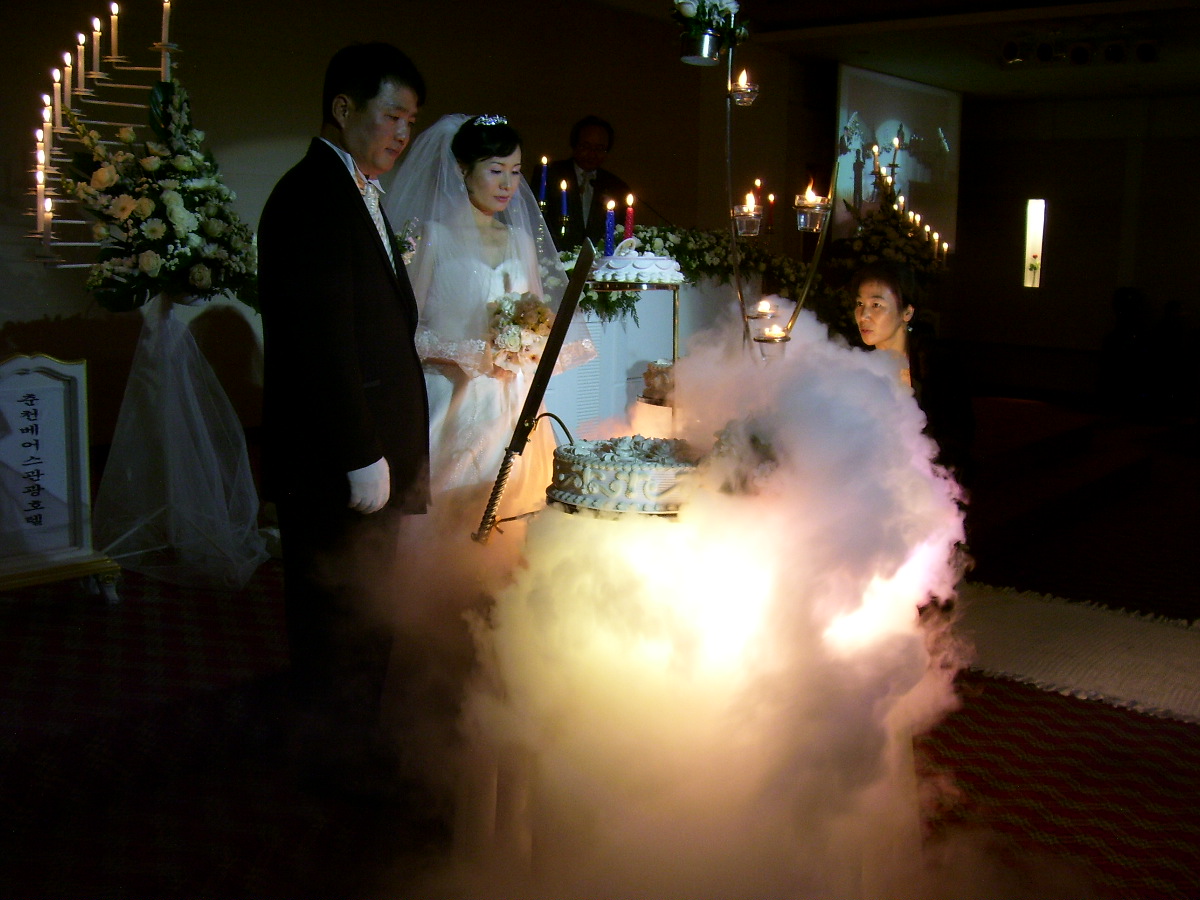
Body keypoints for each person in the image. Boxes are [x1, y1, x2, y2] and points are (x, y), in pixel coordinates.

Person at [257, 42, 430, 786]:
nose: (402, 134)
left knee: (363, 609)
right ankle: (331, 762)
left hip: (366, 451)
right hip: (337, 457)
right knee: (334, 612)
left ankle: (352, 743)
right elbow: (318, 340)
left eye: (411, 122)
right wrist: (361, 451)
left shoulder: (357, 190)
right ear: (343, 108)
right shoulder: (309, 195)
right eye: (393, 116)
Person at [384, 114, 595, 525]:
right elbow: (405, 328)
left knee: (516, 503)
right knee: (453, 513)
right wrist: (474, 352)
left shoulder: (520, 239)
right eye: (496, 170)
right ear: (462, 170)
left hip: (512, 396)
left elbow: (537, 313)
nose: (507, 184)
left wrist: (529, 339)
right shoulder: (433, 236)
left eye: (515, 171)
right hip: (454, 395)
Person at [851, 262, 974, 483]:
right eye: (860, 304)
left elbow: (956, 442)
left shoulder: (936, 366)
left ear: (907, 312)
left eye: (876, 305)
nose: (863, 315)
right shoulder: (853, 366)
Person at [541, 115, 631, 251]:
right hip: (555, 253)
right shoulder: (550, 175)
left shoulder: (617, 187)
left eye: (599, 148)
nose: (592, 154)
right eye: (586, 146)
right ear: (574, 145)